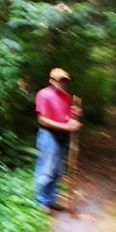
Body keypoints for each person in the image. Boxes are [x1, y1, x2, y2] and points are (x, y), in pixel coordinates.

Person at [34, 67, 82, 212]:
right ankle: (41, 201)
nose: (61, 83)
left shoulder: (67, 97)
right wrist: (67, 126)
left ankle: (51, 200)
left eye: (63, 80)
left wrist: (75, 115)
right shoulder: (43, 94)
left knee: (56, 171)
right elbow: (42, 120)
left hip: (62, 136)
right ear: (51, 80)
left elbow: (67, 116)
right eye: (58, 80)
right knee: (46, 169)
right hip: (48, 135)